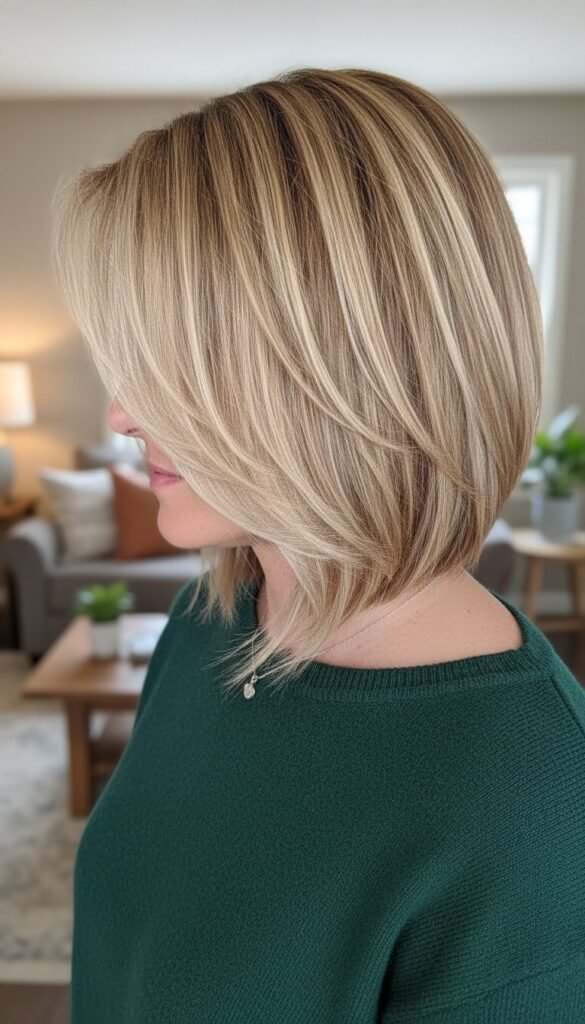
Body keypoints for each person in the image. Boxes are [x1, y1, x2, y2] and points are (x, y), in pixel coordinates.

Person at [51, 66, 585, 1023]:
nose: (123, 411)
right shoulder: (213, 614)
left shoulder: (537, 808)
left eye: (177, 359)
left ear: (346, 368)